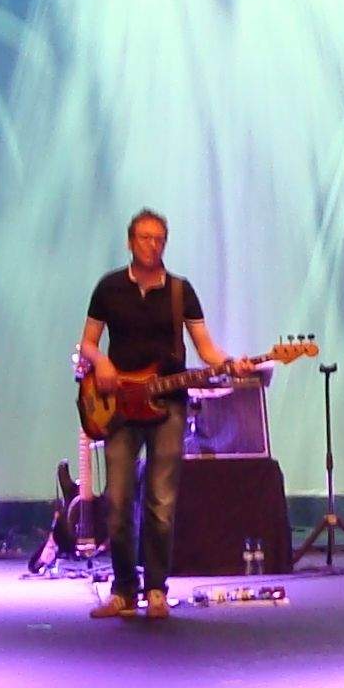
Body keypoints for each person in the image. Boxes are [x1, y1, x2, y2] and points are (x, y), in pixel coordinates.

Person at [78, 209, 241, 619]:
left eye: (159, 238)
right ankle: (123, 590)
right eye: (145, 237)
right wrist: (102, 363)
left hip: (168, 401)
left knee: (161, 500)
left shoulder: (180, 291)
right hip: (119, 407)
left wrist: (229, 363)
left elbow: (205, 348)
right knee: (117, 500)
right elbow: (88, 344)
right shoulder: (109, 288)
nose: (153, 245)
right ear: (130, 241)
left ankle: (155, 588)